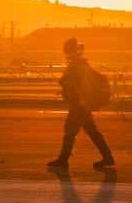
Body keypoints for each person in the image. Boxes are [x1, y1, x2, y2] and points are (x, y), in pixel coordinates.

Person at [47, 37, 116, 170]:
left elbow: (85, 87)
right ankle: (107, 158)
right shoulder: (77, 65)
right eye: (66, 52)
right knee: (90, 130)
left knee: (70, 131)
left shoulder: (80, 66)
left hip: (79, 105)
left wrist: (83, 102)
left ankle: (63, 159)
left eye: (69, 52)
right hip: (81, 105)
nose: (67, 55)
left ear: (76, 52)